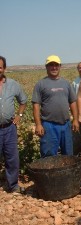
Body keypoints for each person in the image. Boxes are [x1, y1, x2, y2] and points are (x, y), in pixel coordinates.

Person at [32, 55, 79, 158]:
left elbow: (72, 102)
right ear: (46, 67)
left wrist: (75, 119)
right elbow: (36, 106)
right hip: (49, 125)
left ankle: (67, 174)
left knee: (68, 155)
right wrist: (38, 124)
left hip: (65, 124)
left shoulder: (66, 83)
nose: (54, 67)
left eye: (56, 65)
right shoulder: (41, 84)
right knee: (48, 155)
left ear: (60, 66)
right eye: (51, 65)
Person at [0, 56, 27, 193]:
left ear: (4, 68)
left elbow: (23, 101)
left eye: (0, 67)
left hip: (9, 128)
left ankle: (13, 186)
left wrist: (19, 115)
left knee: (12, 158)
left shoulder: (13, 84)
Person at [72, 62, 81, 136]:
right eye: (80, 68)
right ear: (77, 69)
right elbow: (73, 95)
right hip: (79, 105)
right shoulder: (75, 82)